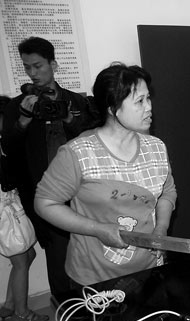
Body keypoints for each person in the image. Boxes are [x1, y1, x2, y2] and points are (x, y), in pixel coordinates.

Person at [34, 63, 177, 287]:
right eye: (139, 101)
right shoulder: (78, 152)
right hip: (94, 277)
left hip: (149, 269)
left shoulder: (156, 147)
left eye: (148, 98)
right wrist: (98, 229)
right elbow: (45, 203)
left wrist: (161, 228)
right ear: (112, 108)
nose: (149, 107)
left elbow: (167, 192)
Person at [1, 37, 91, 295]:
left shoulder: (75, 101)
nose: (32, 73)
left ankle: (95, 306)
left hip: (83, 193)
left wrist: (69, 119)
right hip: (45, 196)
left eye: (38, 66)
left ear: (53, 64)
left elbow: (92, 142)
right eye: (27, 67)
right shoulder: (17, 106)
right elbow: (8, 149)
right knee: (58, 259)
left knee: (90, 253)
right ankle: (66, 310)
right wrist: (23, 120)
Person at [0, 95, 49, 321]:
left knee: (28, 255)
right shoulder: (3, 143)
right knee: (21, 260)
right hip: (5, 207)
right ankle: (21, 312)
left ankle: (10, 305)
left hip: (9, 205)